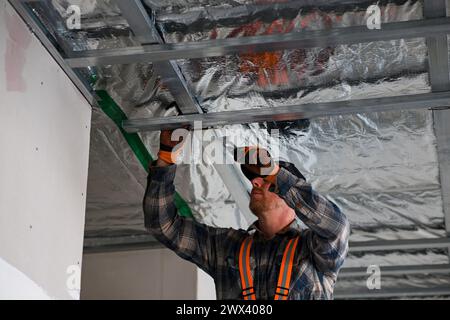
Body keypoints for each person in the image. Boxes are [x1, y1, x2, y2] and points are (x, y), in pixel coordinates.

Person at [143, 128, 350, 300]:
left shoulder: (313, 252)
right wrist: (166, 157)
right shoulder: (226, 247)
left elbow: (336, 228)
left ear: (288, 194)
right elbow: (164, 226)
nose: (254, 182)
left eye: (265, 180)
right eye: (256, 178)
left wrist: (275, 173)